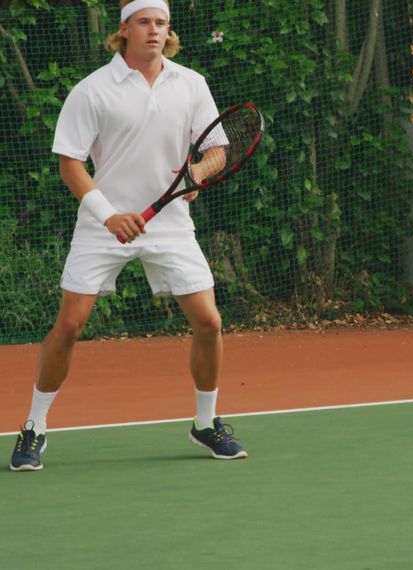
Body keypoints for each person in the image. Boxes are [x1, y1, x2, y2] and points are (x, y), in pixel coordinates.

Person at [9, 0, 247, 471]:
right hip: (104, 225)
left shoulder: (191, 84)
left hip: (172, 224)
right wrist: (108, 215)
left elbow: (217, 150)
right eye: (145, 22)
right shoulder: (93, 90)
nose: (155, 31)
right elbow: (70, 164)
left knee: (209, 322)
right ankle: (34, 426)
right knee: (71, 325)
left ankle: (205, 422)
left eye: (161, 23)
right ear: (124, 30)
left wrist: (197, 172)